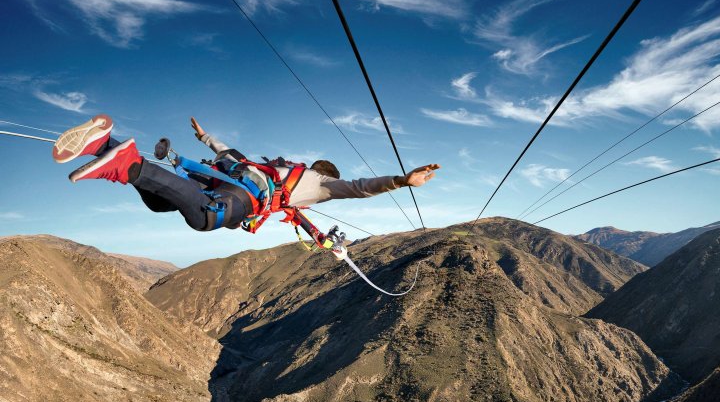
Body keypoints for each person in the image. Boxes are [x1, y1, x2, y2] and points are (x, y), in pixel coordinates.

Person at [52, 114, 440, 233]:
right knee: (206, 218)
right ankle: (126, 164)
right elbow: (358, 188)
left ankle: (103, 144)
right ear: (325, 174)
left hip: (222, 175)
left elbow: (226, 151)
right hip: (241, 195)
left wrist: (205, 135)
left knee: (162, 204)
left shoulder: (276, 166)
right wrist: (402, 181)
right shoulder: (320, 184)